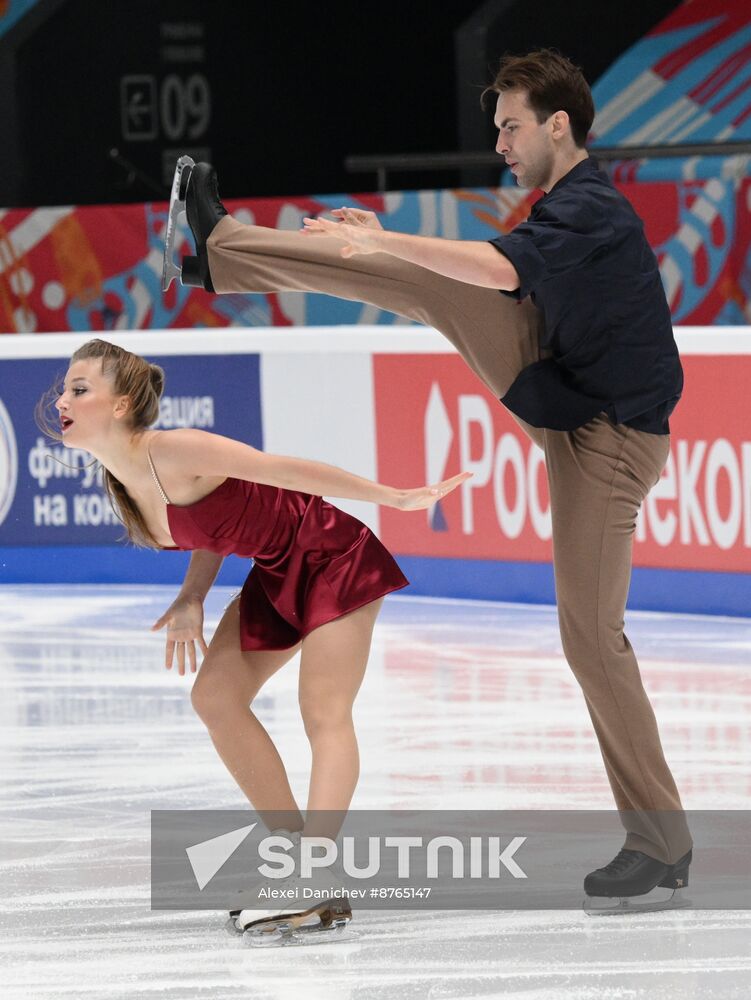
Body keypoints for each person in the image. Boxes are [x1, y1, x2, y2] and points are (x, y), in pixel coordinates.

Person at [169, 48, 693, 911]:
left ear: (557, 125)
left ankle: (661, 843)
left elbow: (493, 270)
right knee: (419, 283)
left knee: (590, 639)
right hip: (566, 398)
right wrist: (380, 248)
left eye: (510, 127)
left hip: (607, 440)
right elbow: (484, 273)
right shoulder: (563, 204)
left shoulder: (592, 207)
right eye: (496, 130)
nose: (500, 144)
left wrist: (378, 236)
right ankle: (219, 257)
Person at [41, 337, 468, 939]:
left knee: (323, 712)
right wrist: (192, 596)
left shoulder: (173, 448)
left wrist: (394, 497)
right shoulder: (124, 480)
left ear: (120, 405)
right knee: (214, 697)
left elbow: (282, 471)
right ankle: (294, 858)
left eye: (79, 389)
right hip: (275, 571)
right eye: (66, 388)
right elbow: (214, 523)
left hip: (331, 553)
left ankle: (315, 880)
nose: (63, 398)